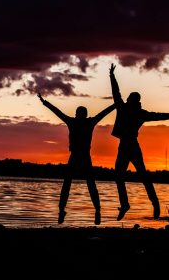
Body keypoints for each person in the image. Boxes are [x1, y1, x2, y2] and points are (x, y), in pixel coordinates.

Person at [109, 63, 169, 221]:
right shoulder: (132, 110)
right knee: (121, 176)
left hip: (129, 145)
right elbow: (116, 92)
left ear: (133, 100)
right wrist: (112, 76)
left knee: (140, 176)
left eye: (130, 98)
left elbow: (158, 115)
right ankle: (126, 205)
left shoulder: (133, 111)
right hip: (126, 146)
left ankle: (152, 203)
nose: (128, 99)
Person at [38, 93, 115, 225]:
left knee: (78, 184)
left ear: (79, 114)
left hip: (80, 156)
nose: (77, 115)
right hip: (80, 156)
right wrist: (115, 104)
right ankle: (66, 210)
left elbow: (58, 112)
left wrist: (45, 102)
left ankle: (93, 211)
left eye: (78, 113)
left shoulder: (76, 122)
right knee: (78, 184)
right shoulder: (85, 122)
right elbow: (103, 113)